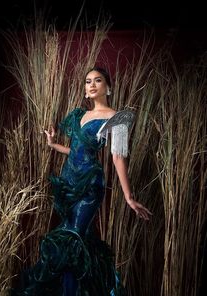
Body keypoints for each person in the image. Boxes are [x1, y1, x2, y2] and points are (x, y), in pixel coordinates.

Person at [11, 67, 152, 296]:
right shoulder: (79, 114)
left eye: (98, 80)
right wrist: (53, 146)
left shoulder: (118, 117)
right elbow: (78, 150)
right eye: (88, 82)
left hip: (89, 185)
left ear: (108, 87)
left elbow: (117, 157)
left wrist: (129, 196)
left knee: (72, 237)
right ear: (85, 90)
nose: (92, 85)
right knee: (76, 239)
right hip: (68, 184)